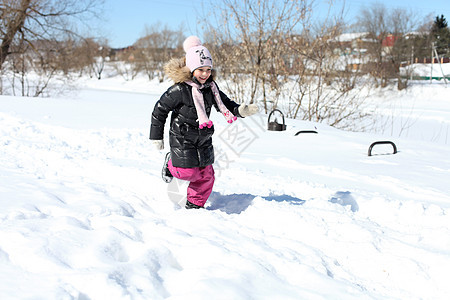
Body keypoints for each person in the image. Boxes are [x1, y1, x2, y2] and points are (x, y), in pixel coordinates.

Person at [149, 36, 258, 209]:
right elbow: (159, 110)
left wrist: (240, 111)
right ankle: (170, 163)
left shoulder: (211, 88)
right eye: (201, 70)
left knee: (207, 176)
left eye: (208, 69)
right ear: (192, 69)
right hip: (182, 137)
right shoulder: (179, 89)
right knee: (188, 172)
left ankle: (194, 204)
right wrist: (157, 136)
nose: (205, 74)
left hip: (203, 137)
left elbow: (227, 103)